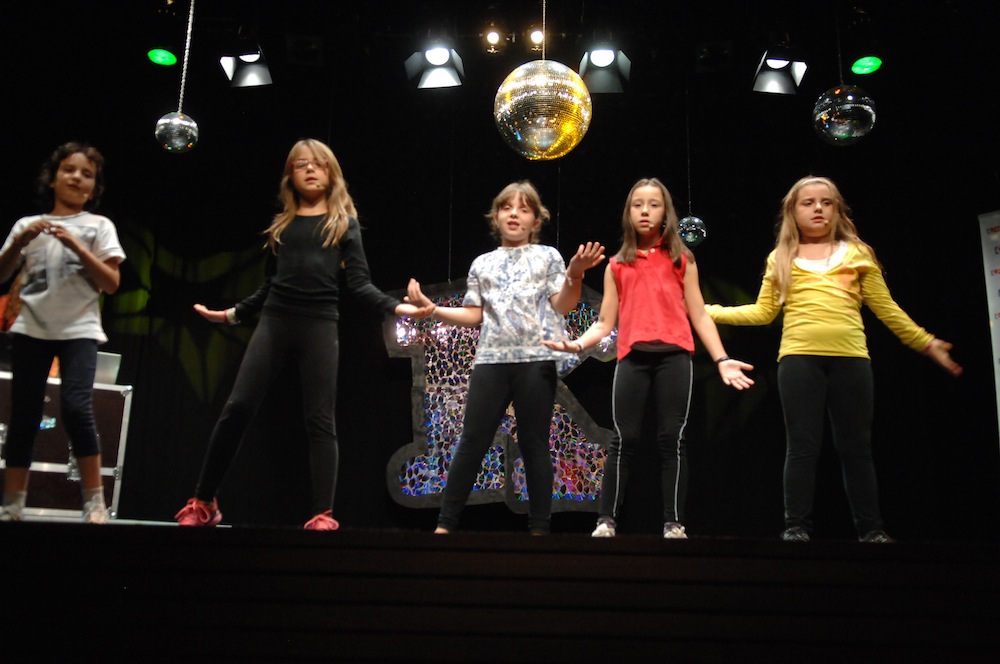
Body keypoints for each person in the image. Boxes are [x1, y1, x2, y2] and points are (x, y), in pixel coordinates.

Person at [174, 138, 434, 530]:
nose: (310, 169)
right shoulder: (283, 226)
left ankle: (322, 514)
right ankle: (204, 501)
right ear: (290, 177)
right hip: (275, 322)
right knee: (237, 408)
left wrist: (399, 308)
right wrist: (232, 314)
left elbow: (360, 284)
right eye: (301, 164)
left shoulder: (343, 225)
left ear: (331, 173)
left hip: (319, 326)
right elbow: (270, 285)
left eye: (318, 163)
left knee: (320, 419)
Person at [706, 175, 962, 543]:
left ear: (838, 210)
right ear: (793, 212)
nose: (818, 209)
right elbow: (763, 313)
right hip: (799, 360)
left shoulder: (857, 254)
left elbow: (886, 309)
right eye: (808, 203)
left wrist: (926, 343)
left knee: (856, 448)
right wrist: (706, 311)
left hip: (851, 360)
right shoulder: (781, 257)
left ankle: (871, 530)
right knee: (802, 446)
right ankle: (796, 527)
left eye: (826, 202)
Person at [542, 177, 754, 539]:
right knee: (623, 440)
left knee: (672, 439)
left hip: (675, 357)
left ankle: (674, 523)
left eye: (654, 205)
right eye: (638, 204)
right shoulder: (617, 265)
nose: (645, 211)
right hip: (633, 359)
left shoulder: (682, 259)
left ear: (665, 213)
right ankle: (606, 521)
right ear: (628, 213)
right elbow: (604, 323)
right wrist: (577, 345)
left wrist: (721, 359)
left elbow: (699, 314)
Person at [406, 181, 605, 535]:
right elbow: (474, 314)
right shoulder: (483, 263)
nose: (514, 214)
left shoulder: (548, 257)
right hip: (491, 362)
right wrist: (433, 310)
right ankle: (445, 525)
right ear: (495, 217)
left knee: (534, 444)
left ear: (536, 221)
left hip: (535, 361)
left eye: (524, 209)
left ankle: (539, 529)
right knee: (472, 441)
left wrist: (574, 274)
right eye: (507, 208)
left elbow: (564, 304)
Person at [0, 142, 125, 524]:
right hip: (32, 328)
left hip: (79, 331)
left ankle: (94, 502)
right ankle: (13, 503)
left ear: (93, 188)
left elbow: (111, 283)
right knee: (24, 415)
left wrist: (76, 245)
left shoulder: (99, 226)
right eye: (69, 170)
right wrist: (20, 241)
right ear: (53, 179)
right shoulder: (27, 225)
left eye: (87, 174)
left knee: (76, 408)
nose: (76, 177)